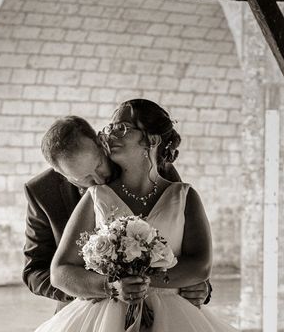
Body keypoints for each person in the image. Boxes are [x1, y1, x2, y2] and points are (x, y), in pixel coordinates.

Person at [32, 100, 237, 332]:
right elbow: (51, 271)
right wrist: (109, 285)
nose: (110, 135)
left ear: (152, 140)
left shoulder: (180, 193)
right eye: (110, 128)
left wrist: (168, 283)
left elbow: (199, 263)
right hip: (100, 313)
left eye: (121, 128)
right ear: (64, 176)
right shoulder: (93, 195)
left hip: (173, 313)